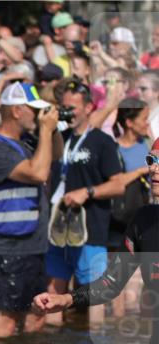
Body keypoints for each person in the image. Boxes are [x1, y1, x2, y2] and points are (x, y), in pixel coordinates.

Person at [33, 138, 159, 344]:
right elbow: (112, 283)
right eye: (151, 161)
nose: (154, 171)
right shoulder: (143, 220)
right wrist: (67, 299)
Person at [0, 82, 61, 338]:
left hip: (32, 246)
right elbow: (38, 172)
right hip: (5, 248)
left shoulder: (24, 143)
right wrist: (45, 130)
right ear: (16, 111)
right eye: (32, 110)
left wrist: (53, 130)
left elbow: (54, 155)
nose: (37, 116)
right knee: (5, 323)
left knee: (37, 316)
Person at [44, 80, 125, 327]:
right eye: (64, 106)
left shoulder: (102, 141)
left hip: (91, 231)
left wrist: (87, 192)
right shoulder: (58, 138)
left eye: (73, 107)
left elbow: (118, 185)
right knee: (53, 292)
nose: (68, 111)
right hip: (57, 230)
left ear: (89, 107)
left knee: (95, 296)